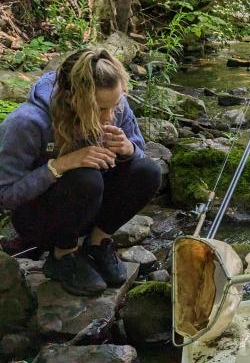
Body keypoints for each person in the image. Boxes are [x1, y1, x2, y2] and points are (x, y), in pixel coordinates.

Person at [0, 48, 161, 296]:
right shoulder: (26, 123)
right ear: (72, 100)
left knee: (148, 170)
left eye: (114, 106)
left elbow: (139, 152)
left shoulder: (116, 106)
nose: (109, 118)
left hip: (89, 210)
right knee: (85, 177)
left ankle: (97, 244)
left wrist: (128, 149)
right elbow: (6, 196)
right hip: (41, 219)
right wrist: (59, 165)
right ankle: (62, 256)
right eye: (99, 109)